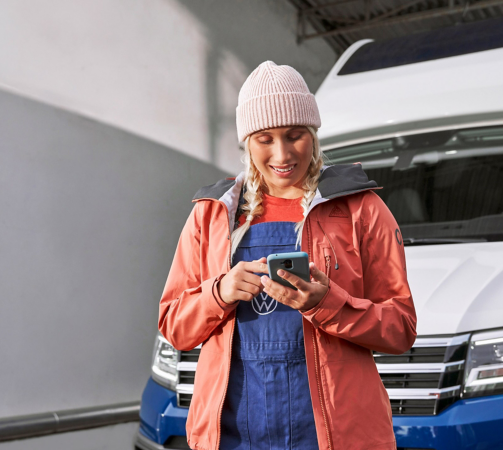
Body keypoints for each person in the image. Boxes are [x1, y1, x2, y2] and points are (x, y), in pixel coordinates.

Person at [158, 61, 417, 450]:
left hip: (335, 436)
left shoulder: (361, 208)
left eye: (295, 135)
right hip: (233, 436)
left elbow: (400, 329)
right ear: (247, 141)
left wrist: (328, 303)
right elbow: (175, 326)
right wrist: (220, 292)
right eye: (265, 138)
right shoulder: (212, 214)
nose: (282, 154)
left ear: (312, 134)